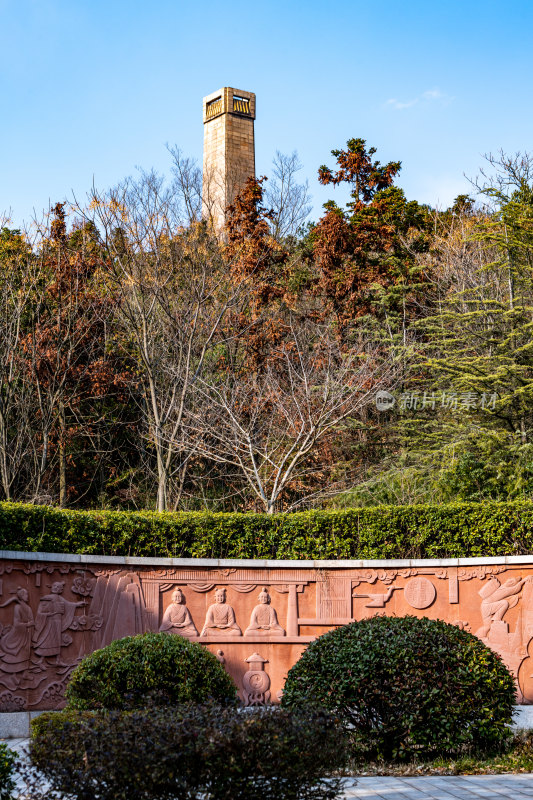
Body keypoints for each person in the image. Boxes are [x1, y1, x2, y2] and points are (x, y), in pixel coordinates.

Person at [33, 581, 84, 665]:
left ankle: (58, 660)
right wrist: (48, 614)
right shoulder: (46, 598)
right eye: (54, 586)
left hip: (57, 621)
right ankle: (41, 660)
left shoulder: (60, 598)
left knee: (57, 640)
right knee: (46, 638)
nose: (56, 588)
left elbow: (69, 604)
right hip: (48, 621)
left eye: (58, 587)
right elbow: (40, 612)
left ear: (61, 590)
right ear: (52, 587)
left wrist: (77, 604)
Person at [0, 587, 34, 681]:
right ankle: (13, 675)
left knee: (26, 653)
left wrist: (31, 625)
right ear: (21, 596)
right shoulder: (17, 607)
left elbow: (32, 620)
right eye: (25, 594)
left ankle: (24, 673)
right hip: (19, 634)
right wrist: (28, 624)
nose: (27, 596)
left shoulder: (28, 608)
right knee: (16, 654)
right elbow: (16, 623)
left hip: (26, 634)